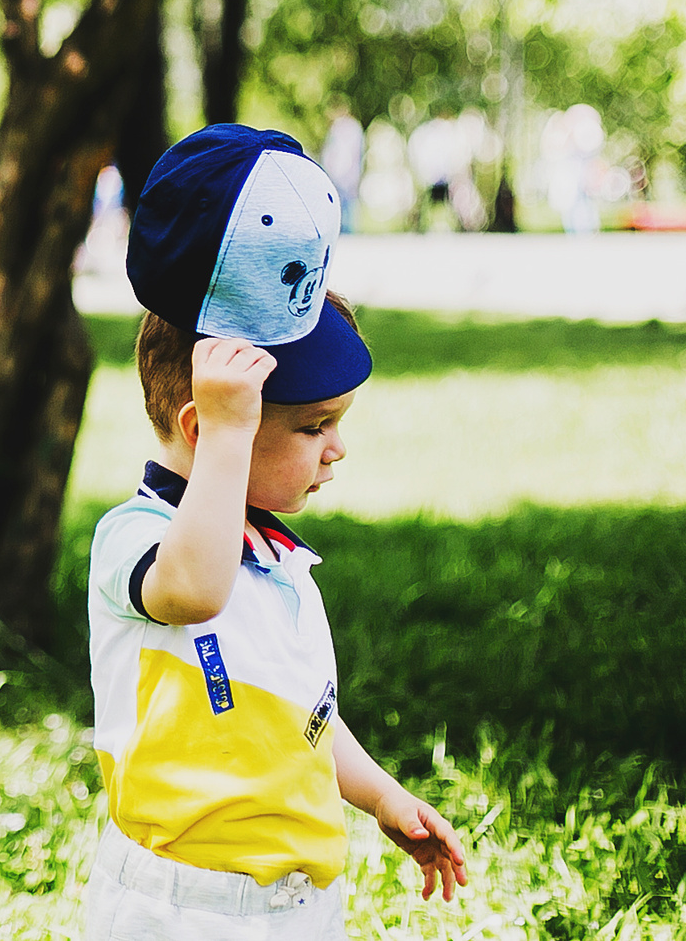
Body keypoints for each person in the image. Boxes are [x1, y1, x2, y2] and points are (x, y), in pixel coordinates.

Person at [88, 124, 470, 939]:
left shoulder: (278, 560)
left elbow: (300, 716)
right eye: (309, 427)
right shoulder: (136, 541)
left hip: (296, 905)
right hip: (178, 911)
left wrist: (379, 796)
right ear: (203, 426)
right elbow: (192, 590)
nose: (337, 448)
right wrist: (232, 436)